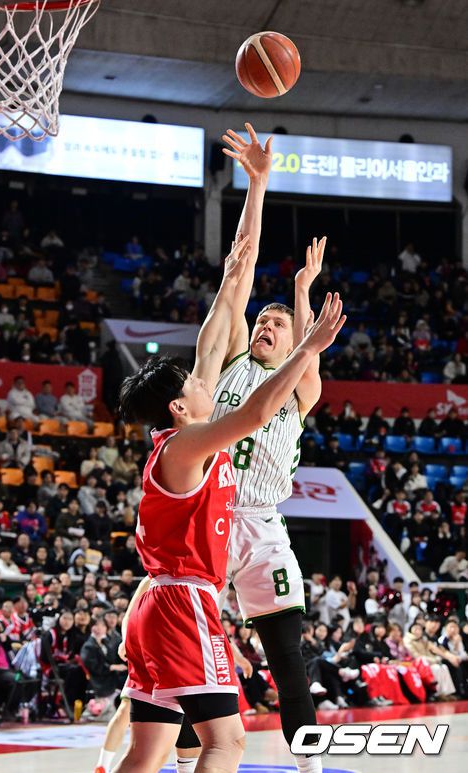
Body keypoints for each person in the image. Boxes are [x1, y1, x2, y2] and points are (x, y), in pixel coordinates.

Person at [107, 237, 344, 773]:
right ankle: (187, 761)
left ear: (294, 340)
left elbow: (308, 356)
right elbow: (233, 300)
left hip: (259, 525)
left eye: (278, 325)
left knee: (287, 658)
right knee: (194, 661)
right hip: (209, 522)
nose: (266, 327)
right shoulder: (226, 367)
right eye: (262, 320)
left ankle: (310, 766)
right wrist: (243, 267)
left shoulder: (297, 389)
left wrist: (302, 291)